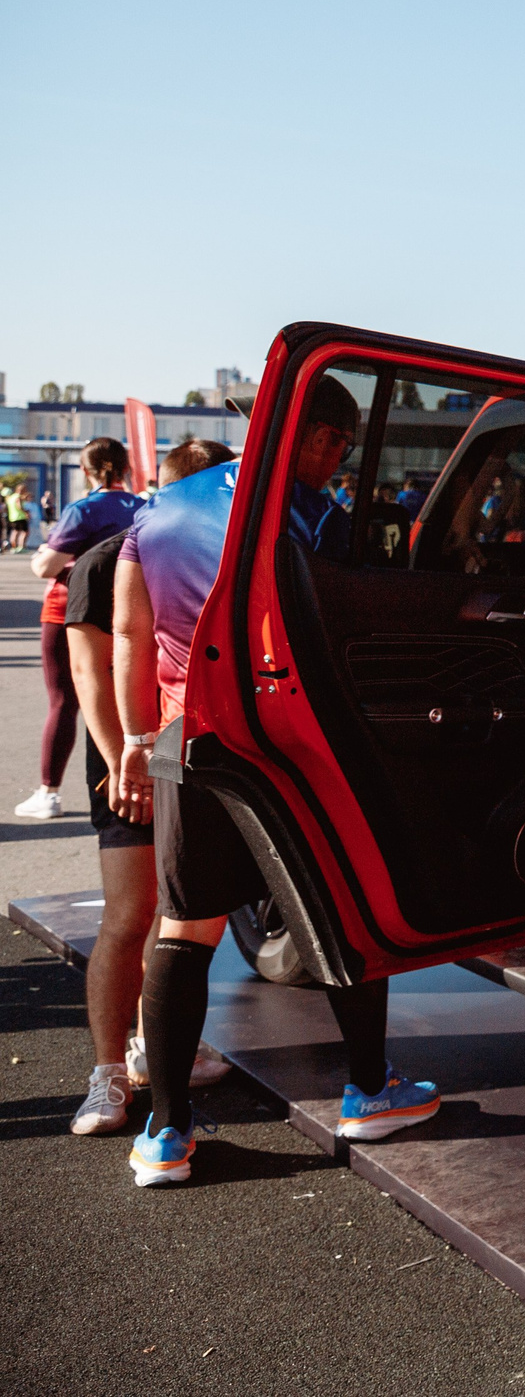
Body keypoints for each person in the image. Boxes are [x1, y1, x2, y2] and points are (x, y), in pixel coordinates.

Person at [114, 377, 440, 1188]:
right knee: (347, 905)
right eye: (337, 446)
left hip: (192, 740)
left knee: (185, 929)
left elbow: (129, 627)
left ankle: (165, 1132)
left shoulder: (159, 509)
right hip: (292, 745)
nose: (337, 463)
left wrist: (132, 737)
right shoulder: (318, 519)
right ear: (317, 437)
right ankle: (368, 1089)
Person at [61, 439, 235, 1135]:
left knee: (181, 915)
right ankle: (107, 1076)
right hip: (130, 757)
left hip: (190, 753)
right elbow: (91, 674)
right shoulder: (109, 557)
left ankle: (154, 1048)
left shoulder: (219, 552)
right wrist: (120, 763)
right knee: (131, 915)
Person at [20, 438, 149, 821]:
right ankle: (132, 776)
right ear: (125, 467)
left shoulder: (84, 509)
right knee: (130, 695)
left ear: (86, 470)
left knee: (65, 700)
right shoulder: (144, 507)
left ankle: (50, 792)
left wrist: (45, 559)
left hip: (70, 614)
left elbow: (46, 567)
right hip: (131, 611)